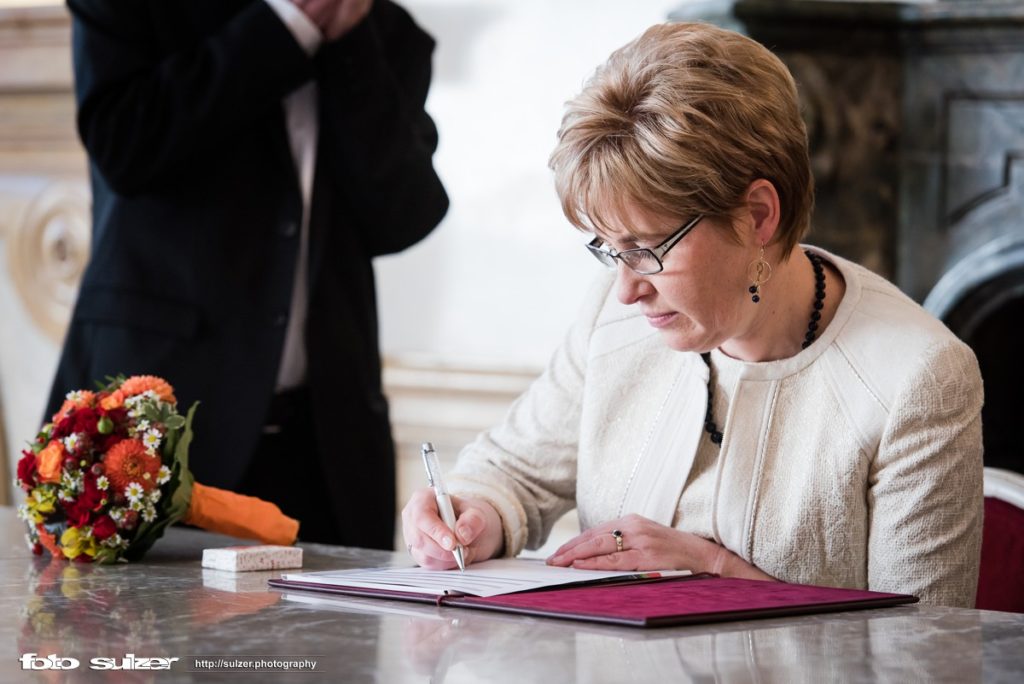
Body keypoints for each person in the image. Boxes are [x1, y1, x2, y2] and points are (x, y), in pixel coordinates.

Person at [403, 22, 983, 606]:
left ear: (758, 216)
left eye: (647, 248)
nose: (626, 289)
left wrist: (714, 571)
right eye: (609, 249)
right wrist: (471, 514)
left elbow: (923, 651)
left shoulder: (918, 378)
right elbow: (512, 473)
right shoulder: (614, 316)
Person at [46, 0, 448, 547]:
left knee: (337, 631)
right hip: (158, 425)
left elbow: (404, 217)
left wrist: (349, 44)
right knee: (129, 630)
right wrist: (289, 26)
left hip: (329, 438)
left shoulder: (384, 30)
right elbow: (125, 146)